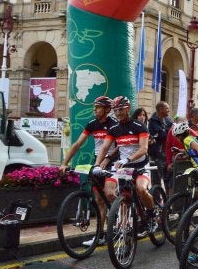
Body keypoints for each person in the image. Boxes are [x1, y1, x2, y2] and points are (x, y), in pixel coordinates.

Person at [94, 96, 158, 236]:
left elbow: (143, 149)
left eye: (121, 109)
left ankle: (152, 215)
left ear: (128, 109)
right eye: (115, 110)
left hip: (140, 165)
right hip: (125, 169)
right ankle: (124, 220)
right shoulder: (114, 129)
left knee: (141, 189)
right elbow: (104, 148)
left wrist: (127, 159)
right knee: (113, 193)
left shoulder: (139, 126)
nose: (118, 113)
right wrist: (98, 164)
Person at [59, 96, 117, 246]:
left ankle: (120, 215)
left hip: (113, 162)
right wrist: (64, 163)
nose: (94, 110)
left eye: (97, 107)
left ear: (106, 109)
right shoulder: (92, 124)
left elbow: (120, 147)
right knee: (98, 200)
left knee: (110, 195)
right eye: (94, 107)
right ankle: (100, 235)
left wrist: (108, 159)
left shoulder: (114, 124)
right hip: (98, 161)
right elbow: (78, 143)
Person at [148, 101, 173, 187]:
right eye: (167, 108)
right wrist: (165, 132)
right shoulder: (152, 121)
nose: (168, 110)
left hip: (167, 153)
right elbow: (161, 135)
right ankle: (156, 199)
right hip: (156, 154)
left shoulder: (168, 120)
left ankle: (168, 199)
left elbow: (171, 133)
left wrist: (163, 132)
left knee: (167, 178)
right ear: (160, 109)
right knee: (156, 179)